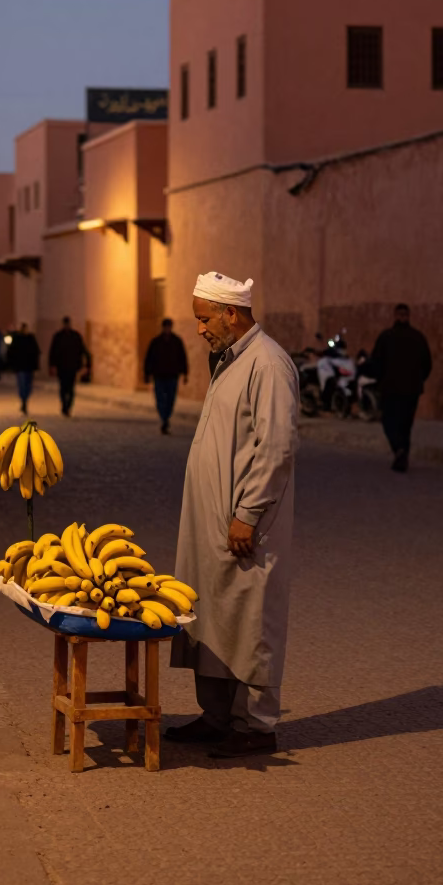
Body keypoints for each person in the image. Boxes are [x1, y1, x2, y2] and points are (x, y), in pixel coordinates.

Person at [166, 271, 298, 758]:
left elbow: (277, 448)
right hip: (212, 522)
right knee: (212, 614)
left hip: (246, 522)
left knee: (251, 617)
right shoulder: (228, 360)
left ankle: (257, 726)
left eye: (204, 319)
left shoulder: (268, 363)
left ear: (232, 313)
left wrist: (247, 512)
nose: (198, 329)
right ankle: (216, 717)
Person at [370, 303, 432, 473]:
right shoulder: (418, 337)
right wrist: (418, 379)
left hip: (391, 388)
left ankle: (399, 449)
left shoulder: (386, 337)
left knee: (389, 421)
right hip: (411, 388)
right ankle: (402, 451)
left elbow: (376, 362)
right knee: (406, 423)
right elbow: (427, 365)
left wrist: (380, 380)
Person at [144, 318, 189, 433]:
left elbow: (182, 357)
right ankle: (164, 419)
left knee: (170, 399)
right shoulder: (156, 342)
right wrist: (147, 374)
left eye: (169, 326)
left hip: (172, 375)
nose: (168, 329)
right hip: (159, 376)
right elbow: (149, 358)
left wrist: (185, 373)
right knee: (160, 399)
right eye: (166, 326)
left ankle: (166, 418)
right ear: (163, 327)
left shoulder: (177, 341)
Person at [48, 317, 90, 416]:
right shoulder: (58, 337)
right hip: (61, 367)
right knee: (63, 387)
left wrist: (85, 364)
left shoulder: (75, 336)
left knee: (70, 388)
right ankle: (64, 405)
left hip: (72, 366)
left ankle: (68, 406)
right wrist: (52, 365)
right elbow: (53, 352)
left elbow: (82, 349)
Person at [6, 323, 41, 415]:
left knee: (28, 385)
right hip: (21, 366)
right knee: (22, 385)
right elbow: (11, 353)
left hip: (28, 366)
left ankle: (25, 400)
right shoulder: (17, 339)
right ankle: (24, 401)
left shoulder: (30, 339)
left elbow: (36, 352)